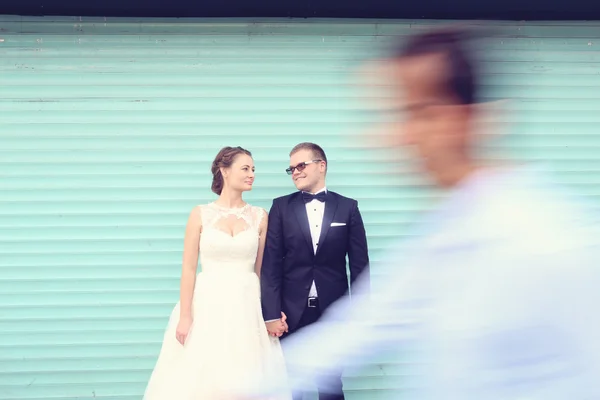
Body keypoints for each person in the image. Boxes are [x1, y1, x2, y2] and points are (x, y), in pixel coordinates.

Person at [235, 27, 600, 399]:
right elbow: (357, 329)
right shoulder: (441, 235)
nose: (397, 135)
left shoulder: (552, 242)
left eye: (420, 113)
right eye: (394, 115)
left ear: (474, 118)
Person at [143, 146, 291, 400]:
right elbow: (189, 269)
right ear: (224, 171)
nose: (252, 174)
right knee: (204, 373)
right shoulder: (200, 214)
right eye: (245, 168)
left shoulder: (259, 216)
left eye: (253, 169)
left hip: (247, 304)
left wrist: (271, 310)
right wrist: (186, 316)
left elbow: (262, 271)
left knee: (248, 373)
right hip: (209, 303)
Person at [260, 142, 370, 400]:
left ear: (321, 166)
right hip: (289, 313)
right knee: (291, 386)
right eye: (291, 169)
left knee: (331, 385)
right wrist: (271, 313)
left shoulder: (348, 208)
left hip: (333, 312)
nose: (295, 172)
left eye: (301, 165)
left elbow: (360, 267)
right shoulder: (281, 207)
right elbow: (271, 264)